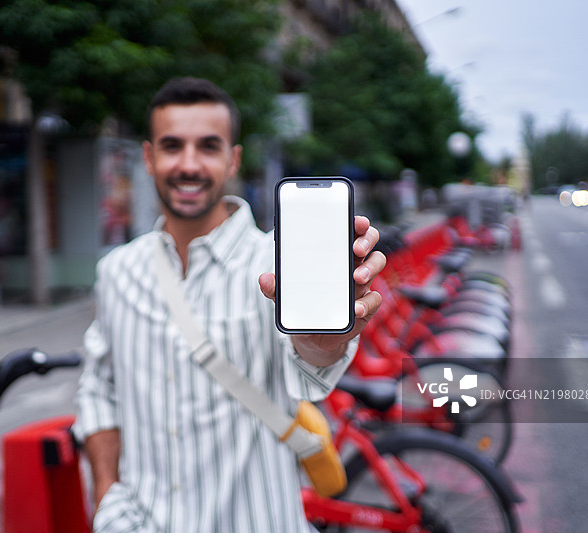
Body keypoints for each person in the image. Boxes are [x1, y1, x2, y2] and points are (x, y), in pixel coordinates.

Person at [74, 77, 386, 532]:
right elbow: (99, 389)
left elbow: (311, 367)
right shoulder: (117, 271)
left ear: (233, 159)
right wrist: (105, 495)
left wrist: (326, 339)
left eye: (208, 146)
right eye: (172, 146)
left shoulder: (274, 265)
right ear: (148, 157)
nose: (189, 164)